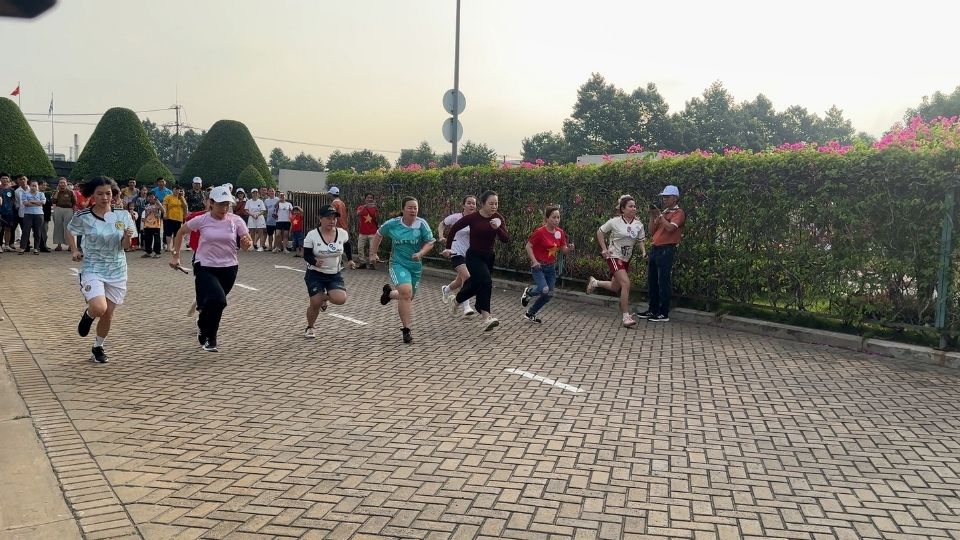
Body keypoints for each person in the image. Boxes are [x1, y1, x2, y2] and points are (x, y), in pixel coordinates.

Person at [170, 185, 253, 352]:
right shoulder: (202, 220)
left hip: (229, 268)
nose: (224, 208)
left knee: (214, 304)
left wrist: (246, 244)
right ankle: (211, 338)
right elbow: (180, 232)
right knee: (219, 300)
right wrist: (176, 255)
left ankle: (202, 324)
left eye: (227, 205)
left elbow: (247, 242)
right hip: (205, 266)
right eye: (221, 204)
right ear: (212, 203)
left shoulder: (236, 220)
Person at [67, 176, 135, 363]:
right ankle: (89, 315)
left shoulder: (123, 215)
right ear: (92, 195)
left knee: (108, 314)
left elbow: (125, 246)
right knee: (99, 307)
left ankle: (98, 346)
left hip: (117, 269)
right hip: (93, 267)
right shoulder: (83, 216)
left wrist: (127, 237)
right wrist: (74, 250)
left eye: (108, 193)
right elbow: (70, 230)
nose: (105, 197)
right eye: (100, 194)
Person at [369, 196, 436, 344]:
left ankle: (389, 294)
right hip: (398, 264)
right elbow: (379, 234)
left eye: (415, 208)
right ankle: (406, 330)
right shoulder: (393, 224)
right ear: (403, 209)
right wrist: (373, 253)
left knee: (408, 296)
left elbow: (430, 242)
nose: (413, 210)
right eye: (410, 207)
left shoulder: (422, 224)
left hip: (415, 266)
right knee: (406, 292)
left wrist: (421, 253)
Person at [442, 190, 509, 332]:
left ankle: (456, 300)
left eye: (496, 203)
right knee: (486, 282)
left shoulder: (498, 218)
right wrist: (448, 248)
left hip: (489, 257)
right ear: (483, 204)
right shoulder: (473, 218)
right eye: (491, 204)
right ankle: (486, 317)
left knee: (475, 285)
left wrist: (497, 228)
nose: (494, 206)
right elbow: (453, 229)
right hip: (474, 256)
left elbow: (505, 239)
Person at [586, 195, 646, 328]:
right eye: (630, 206)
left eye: (635, 206)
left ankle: (595, 282)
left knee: (615, 287)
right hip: (614, 256)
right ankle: (626, 317)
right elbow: (600, 232)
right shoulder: (614, 222)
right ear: (623, 209)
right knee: (626, 283)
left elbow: (641, 240)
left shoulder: (638, 224)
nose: (634, 208)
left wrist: (643, 251)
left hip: (626, 258)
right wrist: (604, 249)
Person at [302, 204, 356, 338]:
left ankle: (323, 297)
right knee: (315, 303)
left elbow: (347, 245)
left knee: (341, 299)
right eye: (328, 218)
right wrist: (315, 261)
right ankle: (310, 327)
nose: (332, 221)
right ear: (320, 218)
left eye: (334, 218)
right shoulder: (312, 235)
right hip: (315, 274)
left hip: (334, 274)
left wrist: (350, 260)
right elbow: (306, 255)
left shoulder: (342, 233)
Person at [636, 185, 686, 323]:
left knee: (663, 281)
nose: (664, 199)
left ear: (675, 198)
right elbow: (652, 231)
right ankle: (652, 309)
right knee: (652, 281)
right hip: (655, 248)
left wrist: (660, 216)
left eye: (667, 197)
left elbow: (670, 228)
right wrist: (652, 216)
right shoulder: (663, 213)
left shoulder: (679, 213)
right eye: (663, 197)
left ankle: (663, 313)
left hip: (667, 249)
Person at [520, 206, 572, 323]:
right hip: (538, 267)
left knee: (548, 294)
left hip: (550, 268)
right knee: (544, 289)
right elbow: (528, 246)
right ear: (547, 218)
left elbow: (564, 250)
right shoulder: (540, 232)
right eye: (553, 217)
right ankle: (529, 292)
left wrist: (570, 248)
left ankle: (530, 313)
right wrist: (534, 261)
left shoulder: (560, 233)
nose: (556, 220)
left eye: (558, 217)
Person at [437, 195, 478, 317]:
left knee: (458, 282)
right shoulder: (456, 217)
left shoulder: (476, 219)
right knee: (467, 277)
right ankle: (466, 307)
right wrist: (441, 236)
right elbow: (442, 224)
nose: (471, 205)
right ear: (463, 205)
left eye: (474, 203)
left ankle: (446, 290)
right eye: (469, 203)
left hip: (469, 254)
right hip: (455, 252)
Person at [18, 178, 46, 255]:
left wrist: (31, 201)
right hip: (28, 214)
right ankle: (22, 248)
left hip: (39, 214)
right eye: (32, 186)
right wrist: (37, 203)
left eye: (35, 186)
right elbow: (25, 203)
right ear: (29, 186)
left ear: (38, 186)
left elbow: (42, 203)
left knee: (37, 232)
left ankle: (36, 248)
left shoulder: (41, 194)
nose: (33, 187)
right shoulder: (25, 193)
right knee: (25, 231)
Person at [51, 177, 77, 251]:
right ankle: (59, 245)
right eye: (61, 182)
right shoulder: (55, 192)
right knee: (58, 227)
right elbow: (53, 201)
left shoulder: (70, 192)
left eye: (64, 182)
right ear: (58, 184)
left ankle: (70, 245)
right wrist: (57, 191)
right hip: (58, 209)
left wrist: (74, 212)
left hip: (68, 210)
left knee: (68, 228)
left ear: (66, 183)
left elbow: (74, 202)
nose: (62, 184)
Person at [355, 192, 379, 268]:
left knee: (372, 249)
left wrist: (375, 209)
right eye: (368, 197)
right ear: (365, 199)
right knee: (360, 248)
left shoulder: (375, 208)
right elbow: (358, 213)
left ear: (373, 199)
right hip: (363, 231)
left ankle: (372, 263)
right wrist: (366, 207)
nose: (369, 199)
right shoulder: (361, 207)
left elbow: (377, 218)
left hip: (373, 232)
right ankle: (362, 263)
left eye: (371, 198)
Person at [163, 186, 188, 253]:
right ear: (172, 190)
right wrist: (165, 213)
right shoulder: (168, 197)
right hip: (170, 217)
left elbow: (185, 206)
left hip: (179, 217)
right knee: (168, 232)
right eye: (175, 189)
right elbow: (164, 205)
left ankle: (174, 247)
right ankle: (168, 247)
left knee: (176, 233)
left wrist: (182, 197)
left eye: (178, 190)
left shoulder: (181, 198)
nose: (177, 191)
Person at [140, 193, 163, 258]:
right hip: (147, 225)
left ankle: (157, 253)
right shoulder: (147, 206)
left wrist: (159, 204)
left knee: (156, 239)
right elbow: (145, 215)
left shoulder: (158, 205)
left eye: (152, 197)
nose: (150, 198)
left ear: (155, 198)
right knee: (147, 239)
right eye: (149, 197)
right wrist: (144, 222)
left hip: (156, 225)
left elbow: (163, 211)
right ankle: (148, 252)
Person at [0, 173, 16, 251]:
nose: (5, 180)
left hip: (9, 213)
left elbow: (13, 200)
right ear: (0, 179)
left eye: (6, 178)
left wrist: (9, 207)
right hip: (0, 212)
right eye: (3, 178)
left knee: (8, 229)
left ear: (9, 179)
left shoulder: (11, 190)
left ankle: (7, 245)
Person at [263, 187, 279, 251]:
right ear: (268, 192)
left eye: (272, 191)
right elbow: (265, 210)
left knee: (277, 235)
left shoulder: (278, 199)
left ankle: (275, 247)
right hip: (269, 220)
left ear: (275, 192)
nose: (271, 192)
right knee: (270, 235)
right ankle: (270, 246)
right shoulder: (266, 201)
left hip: (277, 220)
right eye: (270, 191)